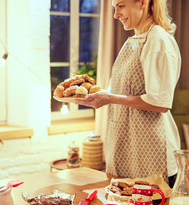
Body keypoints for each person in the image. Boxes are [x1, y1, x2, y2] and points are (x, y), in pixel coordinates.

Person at [76, 0, 181, 186]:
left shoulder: (158, 40)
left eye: (121, 6)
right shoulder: (133, 41)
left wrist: (109, 98)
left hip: (151, 149)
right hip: (129, 145)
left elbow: (160, 102)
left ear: (142, 3)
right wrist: (101, 96)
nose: (116, 15)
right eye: (114, 8)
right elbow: (124, 91)